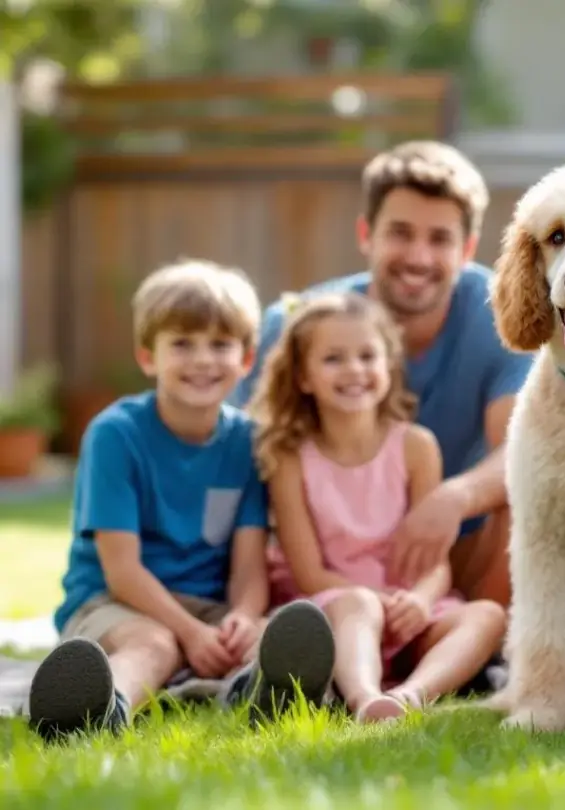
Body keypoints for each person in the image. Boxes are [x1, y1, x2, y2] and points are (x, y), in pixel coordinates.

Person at [231, 140, 531, 610]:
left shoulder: (501, 317)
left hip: (453, 543)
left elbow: (521, 445)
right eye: (400, 233)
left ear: (467, 248)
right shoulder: (297, 325)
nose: (418, 256)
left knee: (529, 492)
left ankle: (487, 642)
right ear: (365, 234)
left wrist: (454, 498)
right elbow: (236, 462)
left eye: (439, 239)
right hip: (322, 558)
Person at [28, 259, 291, 740]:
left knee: (264, 638)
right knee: (155, 643)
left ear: (246, 360)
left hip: (206, 606)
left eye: (220, 344)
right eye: (182, 344)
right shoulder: (116, 434)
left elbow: (250, 565)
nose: (203, 360)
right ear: (149, 357)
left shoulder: (249, 443)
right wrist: (190, 635)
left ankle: (255, 692)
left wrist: (243, 617)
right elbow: (122, 571)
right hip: (113, 600)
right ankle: (105, 711)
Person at [244, 291, 506, 722]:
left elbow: (436, 564)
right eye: (333, 359)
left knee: (486, 615)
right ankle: (364, 697)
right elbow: (308, 572)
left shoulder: (416, 447)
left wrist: (419, 602)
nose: (354, 370)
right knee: (359, 604)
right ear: (303, 378)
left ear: (388, 366)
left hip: (408, 611)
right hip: (336, 606)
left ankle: (409, 696)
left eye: (368, 356)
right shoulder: (289, 457)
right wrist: (375, 600)